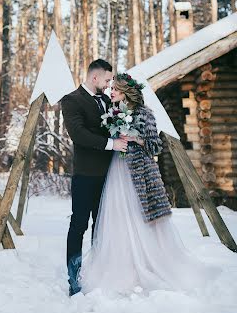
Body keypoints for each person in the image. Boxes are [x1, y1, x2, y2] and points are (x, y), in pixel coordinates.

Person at [79, 73, 218, 296]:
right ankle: (121, 267)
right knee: (118, 216)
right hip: (117, 170)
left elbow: (155, 147)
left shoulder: (145, 114)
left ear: (126, 91)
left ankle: (150, 262)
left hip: (141, 173)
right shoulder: (111, 113)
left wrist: (135, 138)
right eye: (111, 88)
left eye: (115, 89)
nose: (111, 92)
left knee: (141, 215)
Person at [61, 59, 129, 296]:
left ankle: (100, 272)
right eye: (108, 80)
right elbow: (79, 135)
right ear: (94, 78)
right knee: (79, 224)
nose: (110, 85)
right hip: (86, 175)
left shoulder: (108, 101)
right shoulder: (71, 101)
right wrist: (113, 143)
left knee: (103, 225)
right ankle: (74, 276)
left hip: (110, 176)